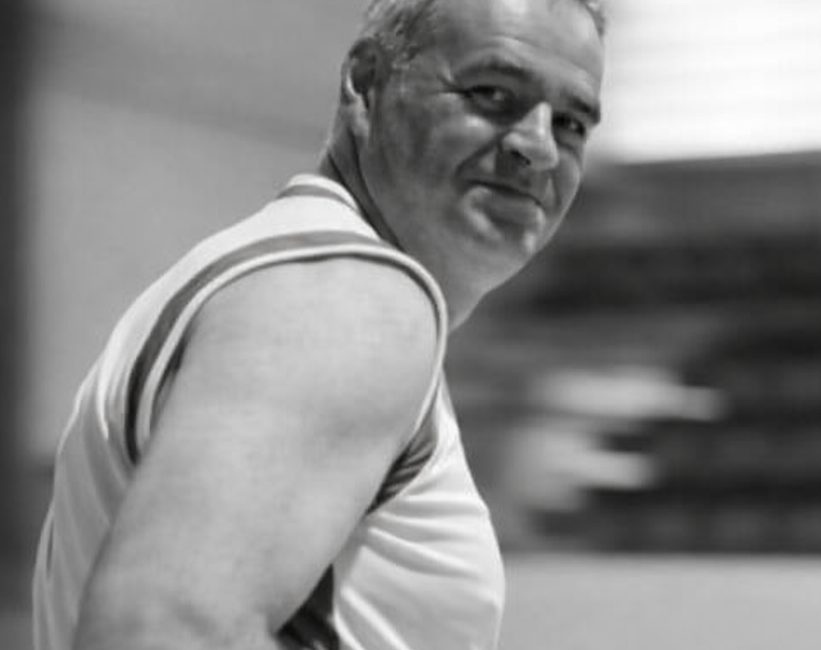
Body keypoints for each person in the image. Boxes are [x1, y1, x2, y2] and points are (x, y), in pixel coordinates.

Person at [31, 0, 606, 648]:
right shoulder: (351, 299)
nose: (538, 147)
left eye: (571, 123)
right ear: (365, 83)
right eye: (492, 93)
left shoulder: (289, 276)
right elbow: (157, 631)